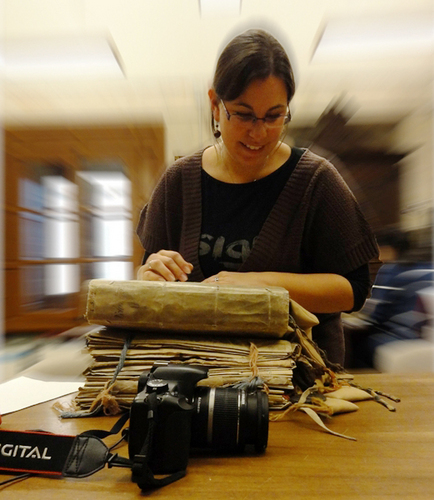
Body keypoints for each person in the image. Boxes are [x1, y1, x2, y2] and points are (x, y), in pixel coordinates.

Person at [136, 28, 379, 365]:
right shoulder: (179, 182)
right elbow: (149, 278)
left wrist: (258, 284)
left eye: (274, 116)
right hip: (194, 379)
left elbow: (355, 289)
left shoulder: (316, 181)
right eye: (244, 114)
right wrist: (149, 275)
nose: (258, 132)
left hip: (298, 383)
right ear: (215, 106)